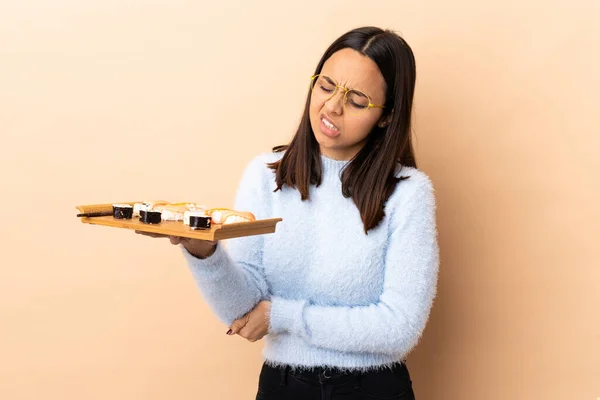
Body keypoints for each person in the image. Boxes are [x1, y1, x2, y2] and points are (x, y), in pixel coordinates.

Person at [139, 26, 439, 400]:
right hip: (282, 388)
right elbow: (245, 309)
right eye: (326, 85)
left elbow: (399, 327)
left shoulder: (408, 192)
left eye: (357, 99)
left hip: (373, 389)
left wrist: (283, 316)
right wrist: (204, 253)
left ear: (386, 117)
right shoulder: (266, 176)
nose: (332, 106)